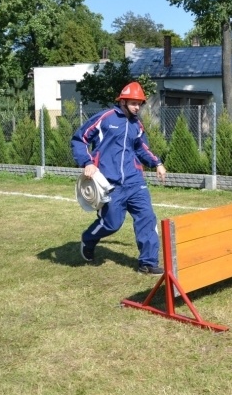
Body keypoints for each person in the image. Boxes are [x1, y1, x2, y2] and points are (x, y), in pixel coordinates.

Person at [71, 82, 167, 275]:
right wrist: (87, 162)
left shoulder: (137, 125)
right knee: (112, 223)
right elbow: (79, 139)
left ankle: (147, 263)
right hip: (110, 183)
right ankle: (88, 238)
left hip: (135, 181)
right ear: (122, 101)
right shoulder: (105, 118)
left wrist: (156, 163)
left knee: (147, 218)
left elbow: (141, 148)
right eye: (133, 103)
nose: (137, 107)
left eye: (139, 103)